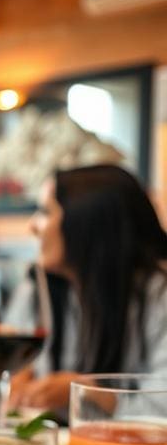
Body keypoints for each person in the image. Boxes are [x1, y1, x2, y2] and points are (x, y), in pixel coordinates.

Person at [12, 164, 167, 412]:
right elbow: (16, 370)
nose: (32, 226)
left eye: (45, 212)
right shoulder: (37, 288)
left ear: (87, 222)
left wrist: (86, 391)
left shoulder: (159, 295)